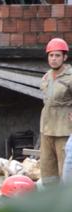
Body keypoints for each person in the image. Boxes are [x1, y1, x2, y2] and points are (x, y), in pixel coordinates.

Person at [40, 37, 72, 184]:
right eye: (51, 55)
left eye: (57, 55)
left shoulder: (70, 77)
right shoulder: (46, 77)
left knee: (65, 172)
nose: (53, 59)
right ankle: (49, 203)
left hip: (64, 130)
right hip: (46, 129)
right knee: (47, 171)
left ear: (64, 57)